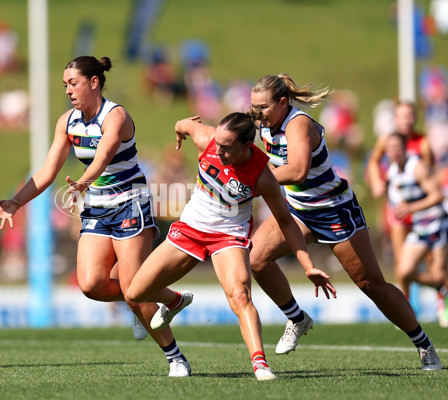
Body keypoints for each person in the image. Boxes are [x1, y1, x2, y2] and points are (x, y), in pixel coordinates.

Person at [0, 56, 191, 377]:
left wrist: (84, 181)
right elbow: (48, 170)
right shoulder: (68, 121)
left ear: (94, 83)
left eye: (73, 83)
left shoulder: (116, 116)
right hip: (96, 207)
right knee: (92, 285)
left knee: (134, 289)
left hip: (130, 204)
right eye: (65, 84)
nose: (67, 90)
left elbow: (104, 155)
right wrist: (15, 202)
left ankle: (175, 357)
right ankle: (171, 299)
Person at [248, 73, 442, 370]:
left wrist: (252, 180)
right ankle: (297, 318)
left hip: (334, 211)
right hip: (299, 211)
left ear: (283, 103)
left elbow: (298, 171)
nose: (256, 113)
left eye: (262, 107)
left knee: (372, 285)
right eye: (253, 106)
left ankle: (423, 343)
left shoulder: (299, 124)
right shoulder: (266, 125)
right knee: (257, 258)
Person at [126, 113, 337, 382]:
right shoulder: (207, 139)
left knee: (240, 296)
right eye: (218, 145)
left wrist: (307, 265)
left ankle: (260, 364)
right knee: (135, 293)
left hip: (228, 235)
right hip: (190, 228)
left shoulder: (264, 178)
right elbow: (183, 124)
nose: (219, 150)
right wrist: (180, 130)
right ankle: (175, 300)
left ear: (247, 146)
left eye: (227, 148)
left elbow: (286, 222)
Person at [385, 133, 448, 327]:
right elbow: (398, 200)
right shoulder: (392, 172)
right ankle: (408, 310)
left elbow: (437, 196)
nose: (394, 151)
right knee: (404, 272)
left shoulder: (418, 167)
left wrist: (410, 208)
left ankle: (442, 297)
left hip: (437, 223)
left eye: (397, 147)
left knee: (438, 273)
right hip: (419, 227)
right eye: (391, 148)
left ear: (405, 148)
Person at [367, 102, 434, 280]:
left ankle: (439, 288)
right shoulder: (387, 139)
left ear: (416, 118)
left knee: (430, 261)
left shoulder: (423, 143)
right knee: (402, 261)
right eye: (402, 116)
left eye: (410, 116)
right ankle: (408, 304)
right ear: (395, 119)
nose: (407, 120)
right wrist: (376, 183)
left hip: (422, 210)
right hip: (398, 208)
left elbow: (431, 175)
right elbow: (373, 161)